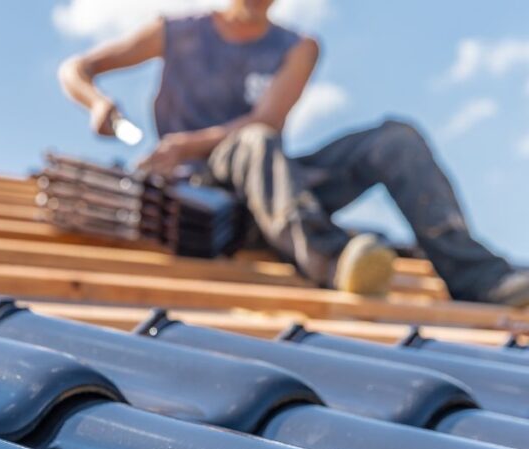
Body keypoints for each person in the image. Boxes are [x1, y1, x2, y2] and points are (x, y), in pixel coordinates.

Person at [58, 0, 529, 305]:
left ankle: (479, 278)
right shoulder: (177, 32)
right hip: (208, 199)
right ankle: (335, 261)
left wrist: (187, 142)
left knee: (395, 139)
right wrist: (97, 102)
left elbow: (266, 121)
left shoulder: (298, 47)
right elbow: (77, 67)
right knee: (252, 144)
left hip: (278, 190)